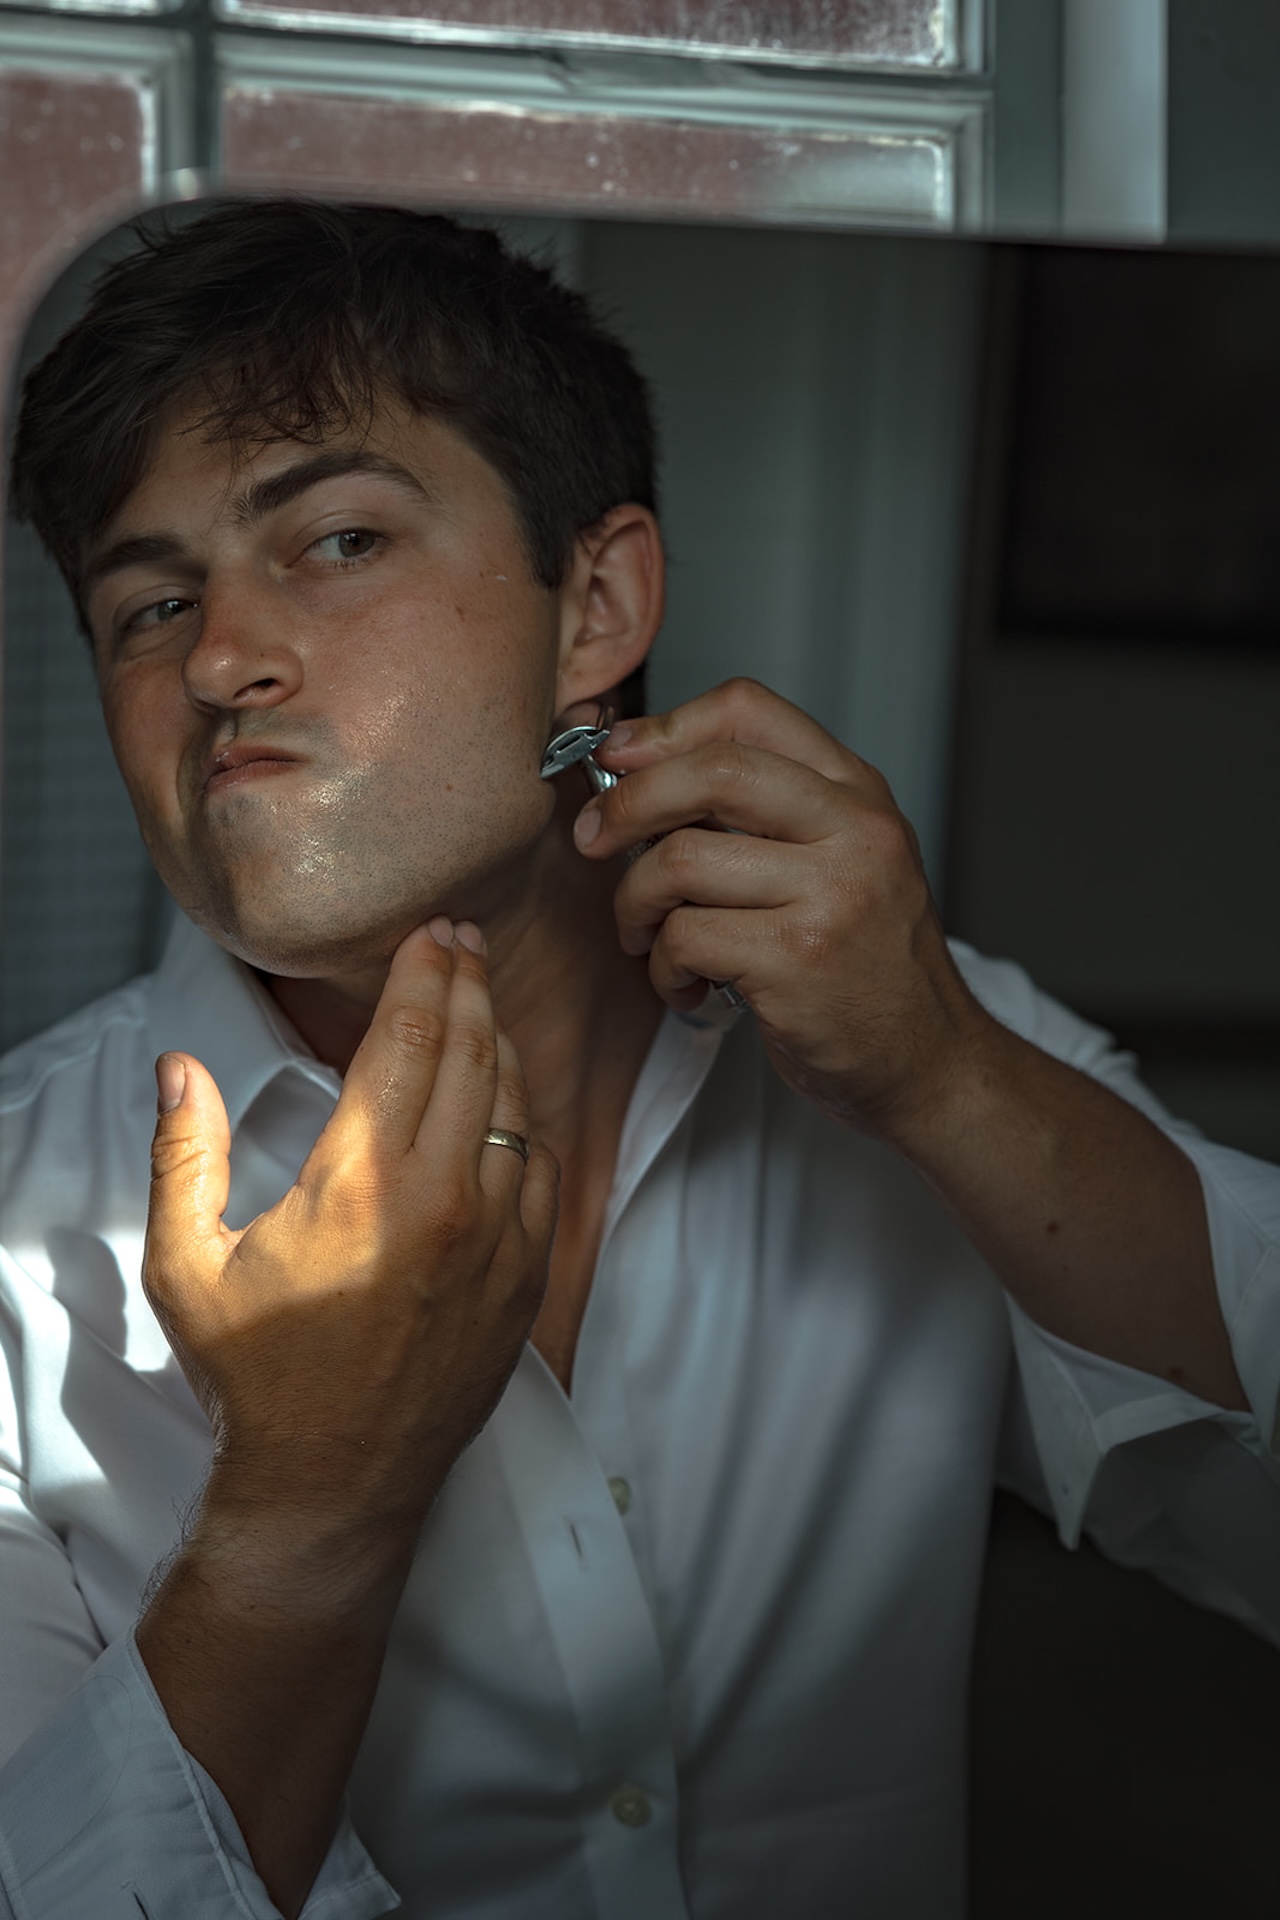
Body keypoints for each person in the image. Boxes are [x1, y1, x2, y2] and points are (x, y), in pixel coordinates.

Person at [1, 199, 1276, 1920]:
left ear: (594, 606)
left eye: (340, 539)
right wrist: (305, 1507)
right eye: (149, 607)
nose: (220, 659)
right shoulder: (14, 1242)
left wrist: (950, 1082)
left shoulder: (908, 1032)